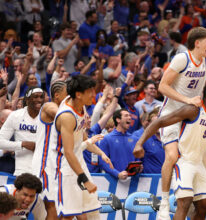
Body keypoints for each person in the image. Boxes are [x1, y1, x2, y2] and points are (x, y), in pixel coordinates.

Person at [134, 82, 206, 220]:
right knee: (184, 203)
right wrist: (139, 144)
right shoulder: (193, 110)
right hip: (184, 162)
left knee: (204, 208)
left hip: (199, 164)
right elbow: (159, 122)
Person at [151, 26, 206, 219]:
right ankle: (163, 201)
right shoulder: (182, 59)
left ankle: (196, 200)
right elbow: (162, 86)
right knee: (172, 156)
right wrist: (187, 100)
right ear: (197, 43)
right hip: (172, 113)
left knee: (204, 161)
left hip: (193, 116)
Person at [48, 75, 113, 218]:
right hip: (63, 166)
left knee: (88, 212)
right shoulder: (67, 116)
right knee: (68, 215)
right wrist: (84, 179)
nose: (94, 95)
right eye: (90, 91)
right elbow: (68, 152)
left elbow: (83, 138)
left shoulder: (80, 104)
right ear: (78, 94)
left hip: (78, 163)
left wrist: (101, 153)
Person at [31, 81, 67, 220]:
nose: (71, 97)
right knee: (52, 208)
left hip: (57, 166)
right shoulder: (48, 106)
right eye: (67, 94)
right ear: (57, 95)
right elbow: (61, 115)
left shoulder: (68, 114)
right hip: (45, 164)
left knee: (60, 210)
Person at [0, 86, 44, 176]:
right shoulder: (16, 116)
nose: (39, 100)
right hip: (22, 170)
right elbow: (0, 142)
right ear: (27, 100)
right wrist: (22, 144)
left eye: (41, 97)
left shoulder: (48, 117)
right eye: (35, 97)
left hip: (44, 169)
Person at [99, 109, 134, 180]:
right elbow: (103, 163)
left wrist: (139, 168)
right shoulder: (106, 139)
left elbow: (137, 159)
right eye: (126, 116)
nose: (130, 118)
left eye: (130, 116)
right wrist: (117, 174)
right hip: (114, 180)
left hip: (133, 181)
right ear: (118, 120)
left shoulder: (134, 138)